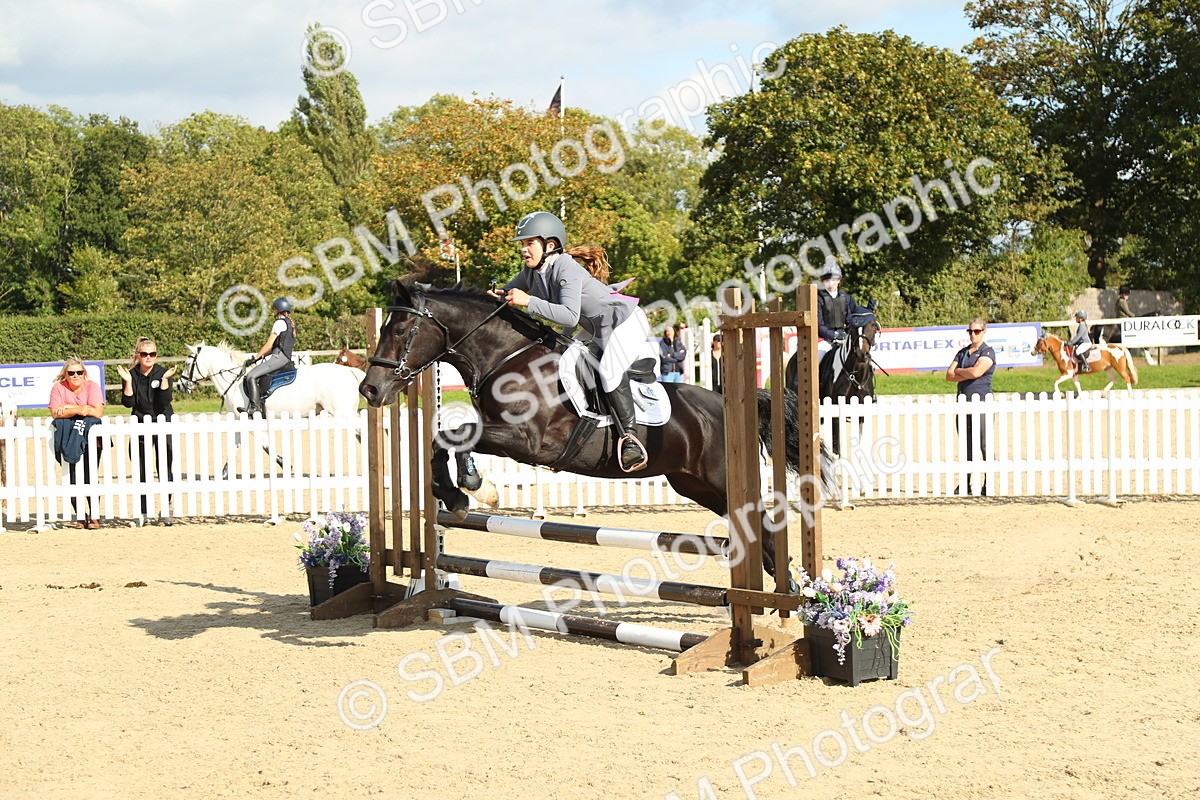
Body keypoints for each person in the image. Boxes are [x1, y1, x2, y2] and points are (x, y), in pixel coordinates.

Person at [488, 211, 650, 472]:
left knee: (608, 372)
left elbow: (569, 316)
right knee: (564, 363)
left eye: (529, 243)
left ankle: (630, 439)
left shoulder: (566, 267)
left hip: (624, 322)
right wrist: (496, 296)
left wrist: (528, 301)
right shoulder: (531, 273)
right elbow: (509, 293)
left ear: (549, 246)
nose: (524, 250)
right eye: (522, 244)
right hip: (594, 327)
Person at [117, 337, 176, 525]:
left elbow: (165, 402)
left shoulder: (163, 373)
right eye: (144, 354)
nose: (148, 357)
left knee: (164, 467)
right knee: (141, 469)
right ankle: (143, 512)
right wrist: (127, 382)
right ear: (138, 355)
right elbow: (128, 403)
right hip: (140, 423)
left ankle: (165, 511)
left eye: (152, 354)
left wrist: (165, 381)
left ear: (156, 356)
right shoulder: (131, 374)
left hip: (162, 422)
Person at [49, 358, 105, 528]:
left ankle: (95, 515)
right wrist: (80, 409)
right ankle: (80, 515)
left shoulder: (92, 387)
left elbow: (97, 412)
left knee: (90, 475)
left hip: (91, 439)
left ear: (84, 373)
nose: (75, 376)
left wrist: (66, 407)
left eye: (79, 372)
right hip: (66, 437)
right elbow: (55, 413)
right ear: (65, 374)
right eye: (71, 373)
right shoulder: (58, 388)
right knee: (71, 476)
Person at [945, 319, 995, 496]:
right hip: (963, 403)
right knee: (966, 445)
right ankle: (965, 483)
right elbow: (949, 375)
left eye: (977, 331)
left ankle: (988, 483)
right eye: (970, 331)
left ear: (983, 332)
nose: (973, 334)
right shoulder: (962, 352)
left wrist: (960, 372)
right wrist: (965, 372)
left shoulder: (987, 352)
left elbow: (977, 372)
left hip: (981, 403)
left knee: (983, 444)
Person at [241, 297, 296, 416]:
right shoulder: (288, 323)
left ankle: (255, 408)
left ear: (277, 310)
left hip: (279, 357)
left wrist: (255, 358)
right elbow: (273, 348)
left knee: (251, 376)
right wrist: (259, 358)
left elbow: (268, 345)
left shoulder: (279, 323)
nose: (273, 312)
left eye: (274, 310)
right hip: (283, 356)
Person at [816, 261, 857, 388]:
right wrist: (832, 335)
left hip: (844, 337)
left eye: (833, 280)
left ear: (839, 280)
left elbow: (850, 318)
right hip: (826, 340)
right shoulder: (819, 298)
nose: (830, 283)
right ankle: (815, 385)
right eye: (826, 280)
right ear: (822, 281)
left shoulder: (846, 297)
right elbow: (818, 324)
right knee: (817, 357)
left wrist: (847, 332)